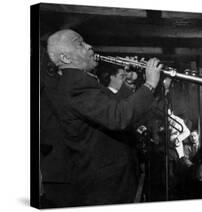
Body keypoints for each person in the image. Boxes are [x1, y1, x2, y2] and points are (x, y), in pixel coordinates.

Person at [42, 29, 163, 207]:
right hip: (105, 183)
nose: (89, 46)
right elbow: (119, 116)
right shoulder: (76, 84)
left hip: (109, 178)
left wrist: (140, 82)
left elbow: (121, 109)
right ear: (66, 58)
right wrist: (150, 83)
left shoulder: (84, 81)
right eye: (80, 44)